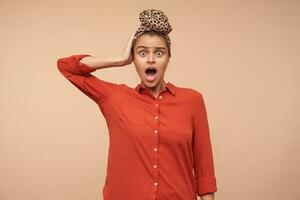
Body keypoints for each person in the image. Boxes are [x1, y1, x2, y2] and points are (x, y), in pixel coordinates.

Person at [57, 8, 217, 200]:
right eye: (142, 53)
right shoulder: (114, 98)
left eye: (159, 52)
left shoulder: (192, 101)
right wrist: (120, 60)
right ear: (134, 59)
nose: (151, 59)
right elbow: (66, 67)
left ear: (168, 58)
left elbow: (204, 171)